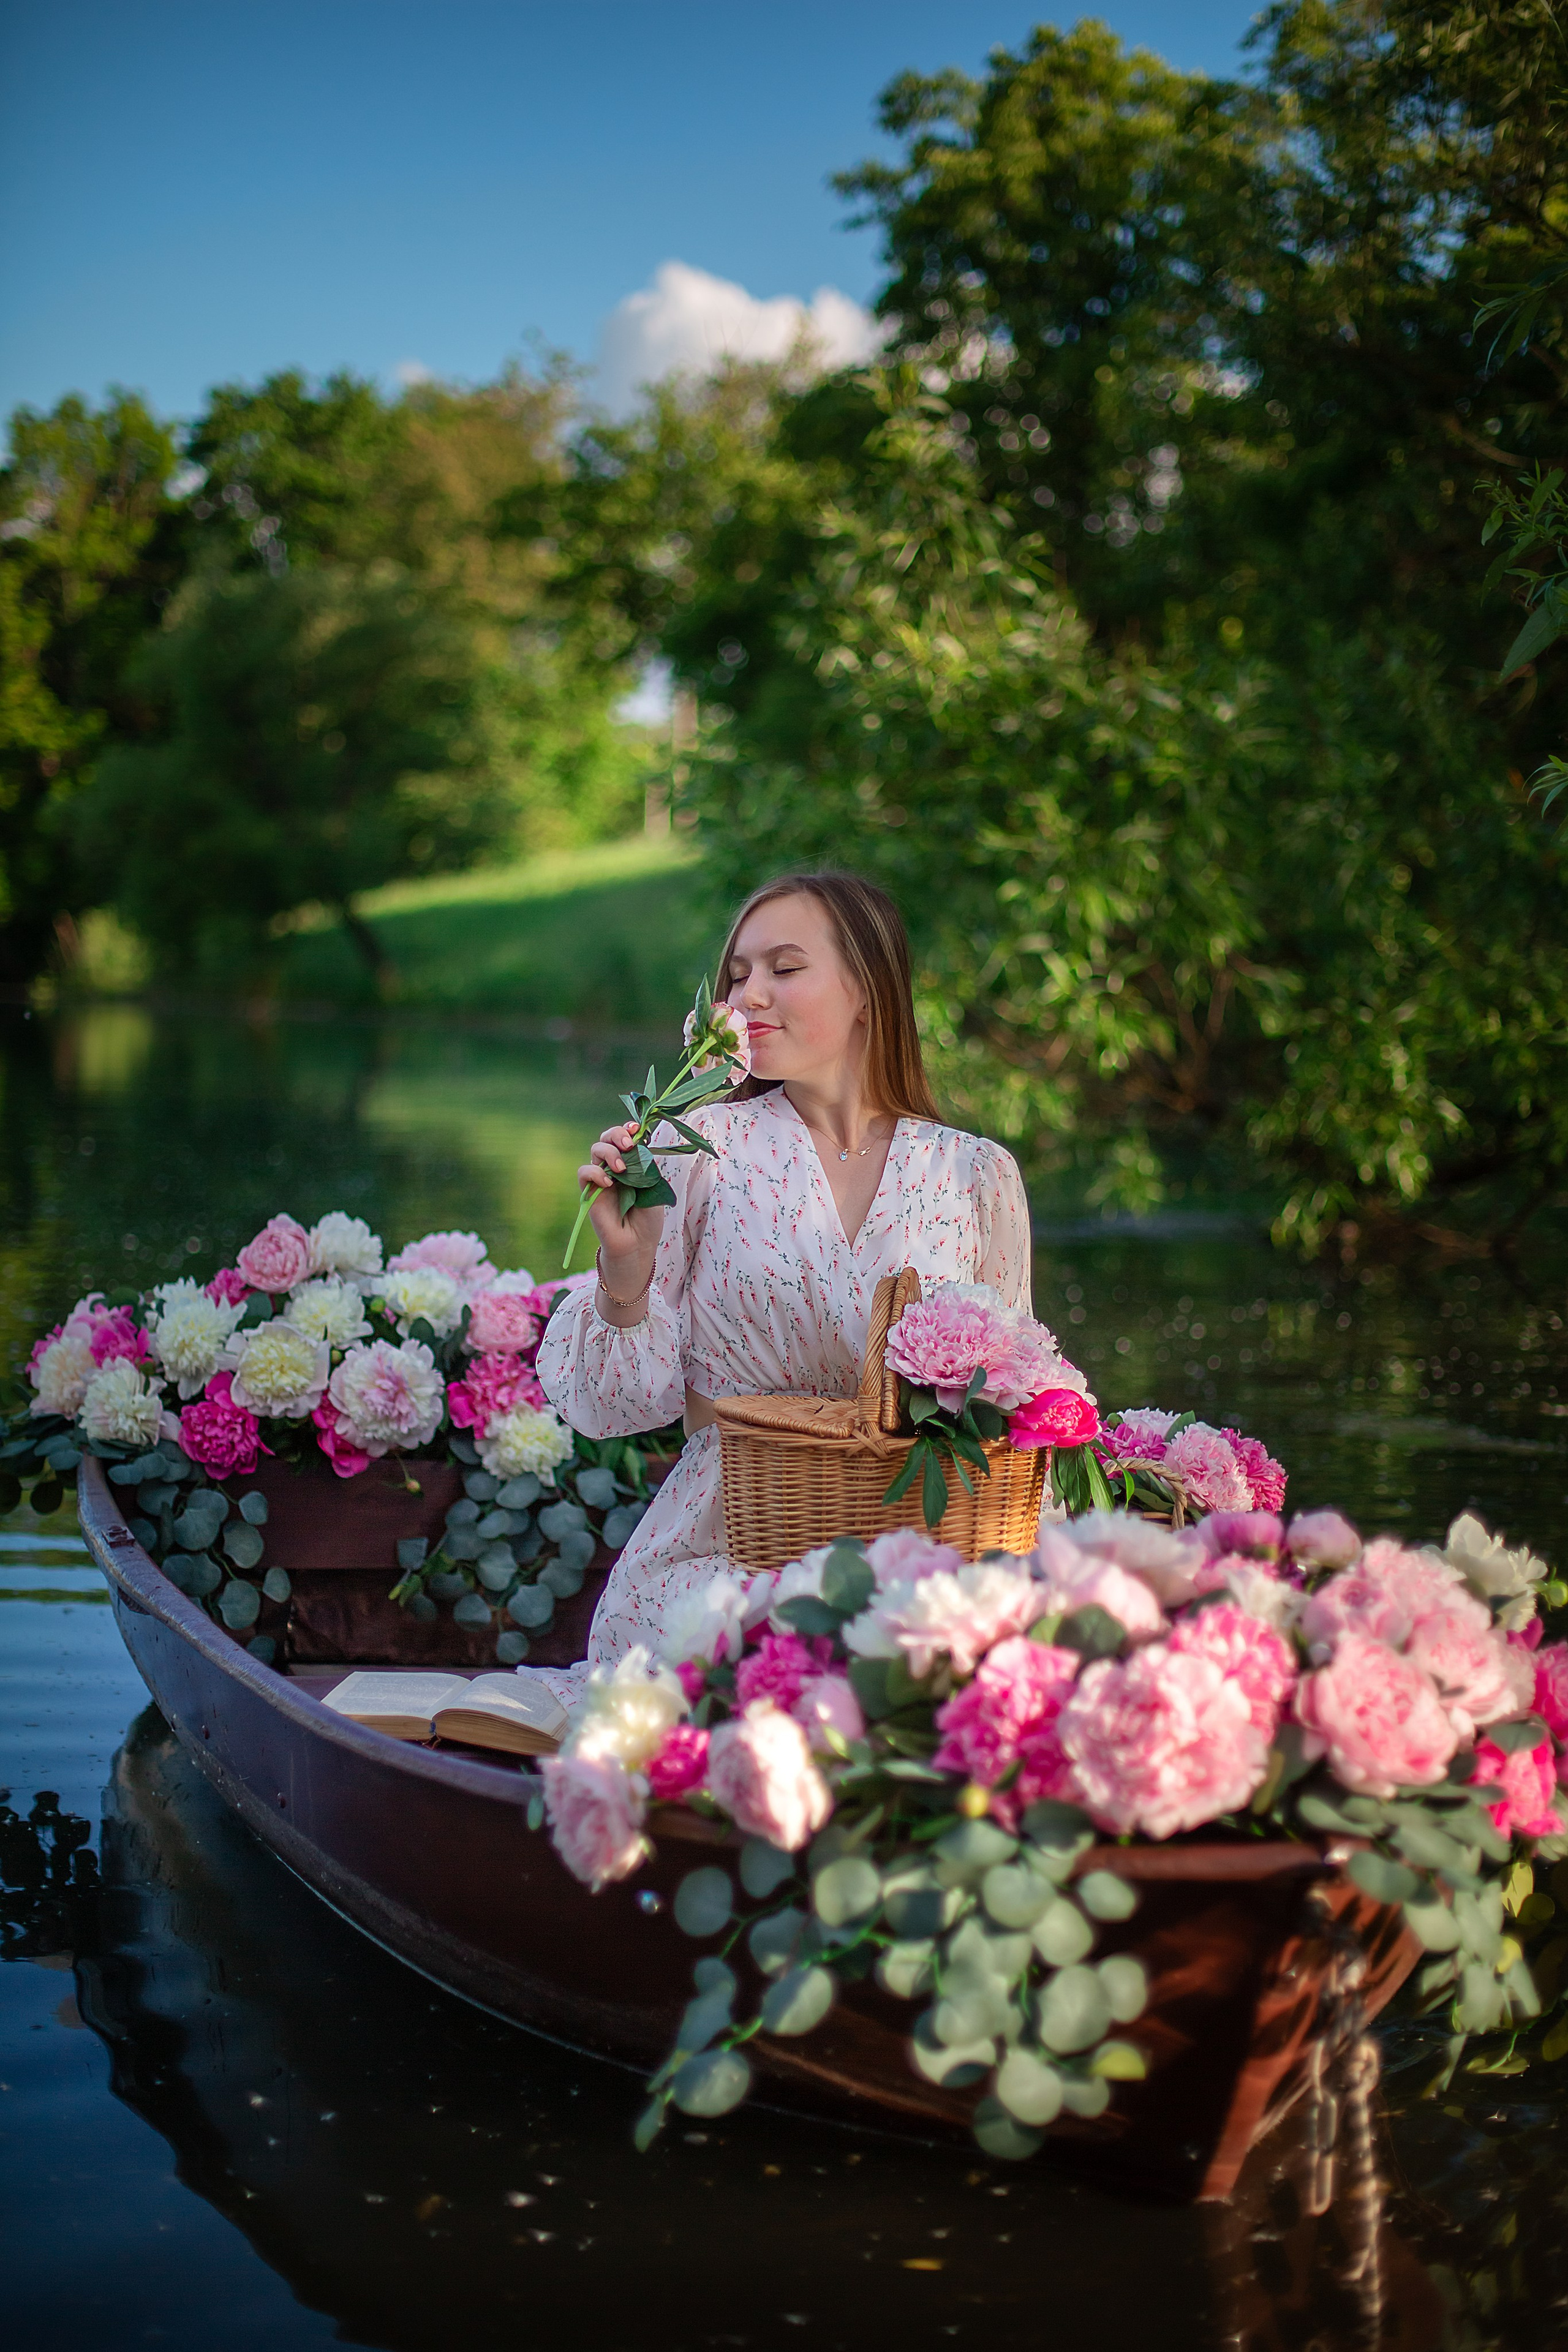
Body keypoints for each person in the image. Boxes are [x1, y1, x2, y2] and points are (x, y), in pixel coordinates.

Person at [527, 870, 1033, 1708]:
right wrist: (624, 1279)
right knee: (790, 1657)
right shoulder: (698, 1152)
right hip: (728, 1556)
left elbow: (1015, 1413)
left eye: (784, 969)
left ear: (868, 989)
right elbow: (616, 1408)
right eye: (736, 975)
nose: (747, 995)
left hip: (924, 1552)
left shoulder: (975, 1174)